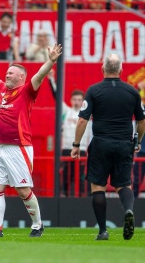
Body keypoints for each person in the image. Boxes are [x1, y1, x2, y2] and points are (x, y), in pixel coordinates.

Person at [0, 42, 63, 238]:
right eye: (7, 73)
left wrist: (50, 61)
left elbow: (38, 75)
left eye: (11, 73)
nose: (7, 75)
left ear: (22, 77)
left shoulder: (27, 91)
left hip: (18, 147)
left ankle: (37, 225)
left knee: (23, 190)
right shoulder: (2, 90)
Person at [71, 54, 145, 241]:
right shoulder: (132, 92)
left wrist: (76, 145)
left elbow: (82, 120)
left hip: (101, 143)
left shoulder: (94, 91)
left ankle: (103, 230)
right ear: (121, 70)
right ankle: (128, 210)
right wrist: (137, 141)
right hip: (124, 144)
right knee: (123, 184)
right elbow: (142, 121)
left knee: (98, 187)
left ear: (102, 69)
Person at [48, 69, 91, 196]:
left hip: (82, 151)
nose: (77, 101)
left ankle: (81, 199)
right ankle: (65, 197)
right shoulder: (66, 111)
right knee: (66, 177)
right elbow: (56, 96)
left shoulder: (88, 114)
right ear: (71, 100)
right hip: (66, 149)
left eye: (79, 99)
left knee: (81, 179)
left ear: (83, 101)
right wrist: (51, 79)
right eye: (75, 99)